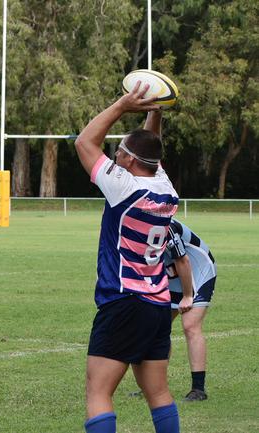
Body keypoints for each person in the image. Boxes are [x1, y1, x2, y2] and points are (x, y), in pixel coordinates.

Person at [74, 82, 181, 433]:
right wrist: (155, 110)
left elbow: (84, 142)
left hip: (123, 301)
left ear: (131, 161)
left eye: (119, 152)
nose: (115, 156)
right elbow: (151, 148)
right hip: (157, 304)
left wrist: (122, 104)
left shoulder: (124, 188)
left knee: (98, 392)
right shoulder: (165, 187)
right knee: (159, 392)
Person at [164, 218, 216, 401]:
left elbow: (182, 260)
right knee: (157, 327)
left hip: (197, 271)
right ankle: (154, 383)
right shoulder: (132, 224)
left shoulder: (166, 225)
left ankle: (198, 389)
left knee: (190, 325)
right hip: (171, 275)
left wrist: (187, 296)